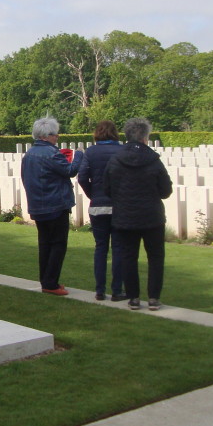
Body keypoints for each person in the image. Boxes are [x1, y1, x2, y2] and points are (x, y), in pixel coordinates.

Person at [104, 118, 172, 310]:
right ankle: (153, 298)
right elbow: (166, 190)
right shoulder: (154, 160)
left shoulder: (115, 160)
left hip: (125, 216)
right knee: (156, 257)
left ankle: (133, 298)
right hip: (152, 217)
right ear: (145, 137)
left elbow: (107, 188)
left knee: (129, 257)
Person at [21, 117, 83, 296]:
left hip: (38, 206)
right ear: (46, 136)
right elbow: (70, 171)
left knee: (45, 244)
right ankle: (51, 283)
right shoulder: (51, 153)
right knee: (58, 244)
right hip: (55, 205)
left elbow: (26, 179)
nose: (57, 137)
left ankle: (46, 280)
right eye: (55, 134)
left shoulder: (29, 154)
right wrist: (78, 155)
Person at [78, 120, 126, 302]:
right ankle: (117, 291)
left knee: (100, 248)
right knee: (118, 248)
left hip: (98, 206)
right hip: (119, 206)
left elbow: (82, 176)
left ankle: (99, 291)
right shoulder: (122, 151)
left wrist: (93, 195)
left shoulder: (90, 152)